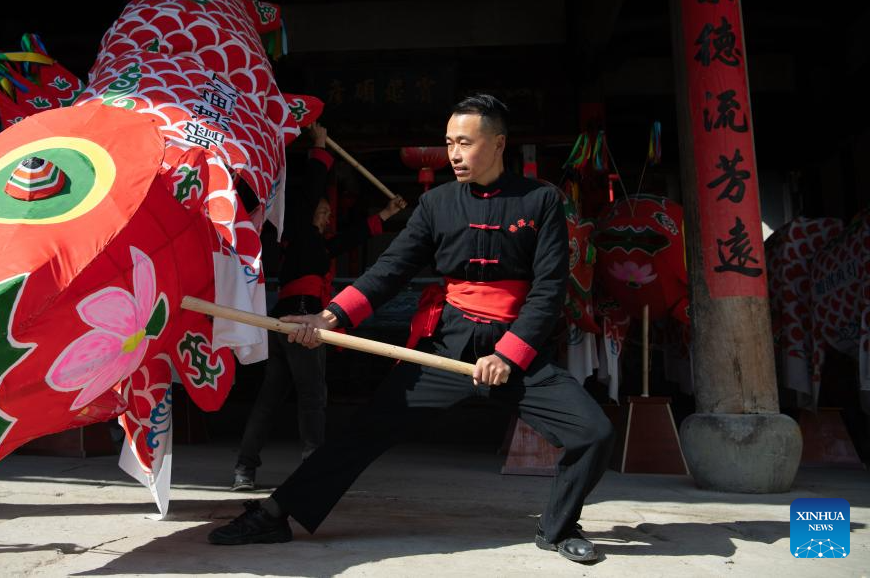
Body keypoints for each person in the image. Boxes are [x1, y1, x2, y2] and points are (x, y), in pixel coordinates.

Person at [209, 94, 615, 563]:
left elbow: (549, 290)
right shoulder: (437, 204)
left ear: (499, 143)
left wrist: (507, 356)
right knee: (363, 431)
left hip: (513, 350)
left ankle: (559, 526)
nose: (455, 154)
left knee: (594, 431)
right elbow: (391, 269)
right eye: (449, 143)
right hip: (448, 345)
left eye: (465, 142)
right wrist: (328, 318)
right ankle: (275, 514)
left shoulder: (541, 202)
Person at [231, 121, 406, 491]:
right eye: (322, 213)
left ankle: (245, 468)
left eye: (328, 216)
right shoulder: (296, 231)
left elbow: (349, 239)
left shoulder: (314, 246)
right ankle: (312, 468)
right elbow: (311, 191)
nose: (326, 219)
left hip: (282, 321)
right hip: (301, 319)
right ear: (308, 213)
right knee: (312, 396)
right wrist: (320, 148)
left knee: (271, 397)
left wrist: (388, 213)